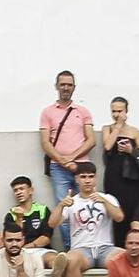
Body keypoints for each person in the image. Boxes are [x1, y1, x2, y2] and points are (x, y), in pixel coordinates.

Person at [51, 162, 125, 277]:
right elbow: (52, 223)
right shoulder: (72, 201)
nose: (87, 180)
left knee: (125, 258)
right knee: (71, 260)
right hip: (82, 250)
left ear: (95, 178)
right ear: (77, 179)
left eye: (91, 176)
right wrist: (61, 205)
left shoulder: (108, 198)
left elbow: (119, 217)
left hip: (105, 248)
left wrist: (103, 201)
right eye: (83, 176)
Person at [39, 70, 96, 200]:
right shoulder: (47, 112)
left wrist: (71, 157)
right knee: (64, 207)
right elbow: (45, 142)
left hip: (82, 166)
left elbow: (91, 140)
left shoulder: (83, 111)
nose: (66, 88)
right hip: (58, 168)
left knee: (85, 204)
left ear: (74, 88)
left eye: (69, 85)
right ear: (56, 86)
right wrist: (62, 161)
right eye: (63, 84)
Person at [100, 96, 139, 241]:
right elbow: (107, 146)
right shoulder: (107, 129)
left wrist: (131, 150)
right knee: (117, 214)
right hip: (114, 177)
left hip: (133, 180)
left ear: (126, 111)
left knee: (134, 213)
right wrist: (117, 127)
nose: (116, 114)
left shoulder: (135, 132)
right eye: (113, 111)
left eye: (119, 111)